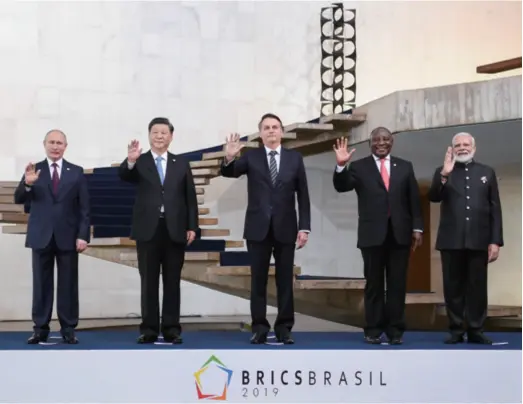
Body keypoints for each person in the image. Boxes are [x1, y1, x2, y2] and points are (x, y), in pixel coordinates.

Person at [221, 113, 311, 344]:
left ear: (282, 132)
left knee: (284, 281)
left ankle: (284, 328)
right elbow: (230, 171)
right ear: (260, 134)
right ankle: (259, 327)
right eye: (266, 128)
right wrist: (229, 158)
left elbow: (303, 194)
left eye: (275, 127)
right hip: (257, 229)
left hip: (286, 228)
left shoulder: (295, 158)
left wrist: (305, 227)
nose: (271, 131)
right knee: (258, 280)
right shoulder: (251, 157)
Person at [332, 128, 423, 345]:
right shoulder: (360, 166)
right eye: (376, 140)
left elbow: (414, 200)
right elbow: (341, 186)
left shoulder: (405, 166)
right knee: (373, 284)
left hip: (400, 235)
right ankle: (372, 329)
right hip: (372, 235)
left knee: (397, 284)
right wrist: (341, 166)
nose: (381, 143)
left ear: (392, 142)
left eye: (385, 139)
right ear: (369, 143)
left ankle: (395, 331)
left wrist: (417, 228)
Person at [118, 117, 198, 344]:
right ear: (149, 135)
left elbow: (189, 197)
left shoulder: (181, 163)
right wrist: (130, 161)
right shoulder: (140, 161)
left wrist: (193, 226)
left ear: (171, 136)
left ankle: (172, 329)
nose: (160, 136)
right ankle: (149, 329)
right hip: (148, 230)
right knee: (149, 281)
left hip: (175, 229)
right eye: (155, 132)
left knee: (172, 281)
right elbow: (124, 176)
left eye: (164, 132)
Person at [14, 130, 90, 344]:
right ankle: (40, 328)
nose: (55, 146)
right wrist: (27, 184)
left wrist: (83, 235)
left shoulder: (76, 172)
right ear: (44, 144)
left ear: (66, 146)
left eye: (59, 143)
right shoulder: (33, 169)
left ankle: (68, 328)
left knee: (68, 285)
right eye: (51, 142)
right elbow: (19, 198)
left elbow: (84, 208)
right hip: (41, 236)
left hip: (68, 236)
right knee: (41, 284)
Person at [428, 132, 502, 345]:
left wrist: (495, 240)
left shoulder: (487, 172)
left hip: (480, 240)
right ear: (452, 148)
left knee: (477, 287)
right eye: (457, 145)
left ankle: (476, 330)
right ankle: (456, 330)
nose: (462, 148)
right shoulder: (442, 172)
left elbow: (495, 209)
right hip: (451, 241)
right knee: (453, 288)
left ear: (474, 147)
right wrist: (444, 174)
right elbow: (433, 196)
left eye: (465, 144)